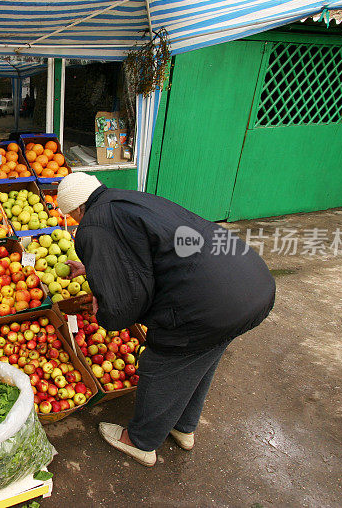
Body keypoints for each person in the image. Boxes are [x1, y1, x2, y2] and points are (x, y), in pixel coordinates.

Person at [56, 172, 275, 467]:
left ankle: (141, 442)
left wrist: (104, 306)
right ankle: (183, 427)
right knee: (202, 356)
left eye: (71, 215)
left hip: (208, 302)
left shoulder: (92, 226)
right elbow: (145, 250)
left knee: (161, 364)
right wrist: (94, 268)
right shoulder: (128, 199)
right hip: (249, 284)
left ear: (75, 210)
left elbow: (124, 302)